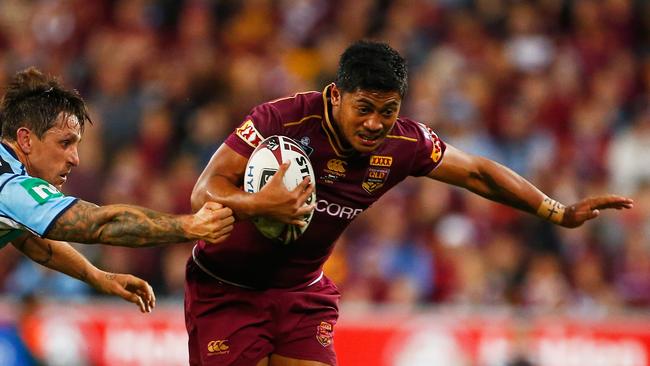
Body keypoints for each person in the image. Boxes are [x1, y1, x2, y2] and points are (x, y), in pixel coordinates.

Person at [188, 41, 633, 366]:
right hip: (229, 287)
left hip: (301, 290)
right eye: (364, 108)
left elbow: (477, 172)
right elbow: (203, 191)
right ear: (336, 94)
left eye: (388, 110)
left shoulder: (406, 142)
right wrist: (259, 204)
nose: (375, 123)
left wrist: (556, 210)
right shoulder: (280, 119)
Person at [0, 67, 235, 313]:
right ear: (26, 139)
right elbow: (97, 224)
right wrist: (189, 226)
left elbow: (29, 238)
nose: (75, 159)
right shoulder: (11, 186)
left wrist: (98, 277)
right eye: (65, 143)